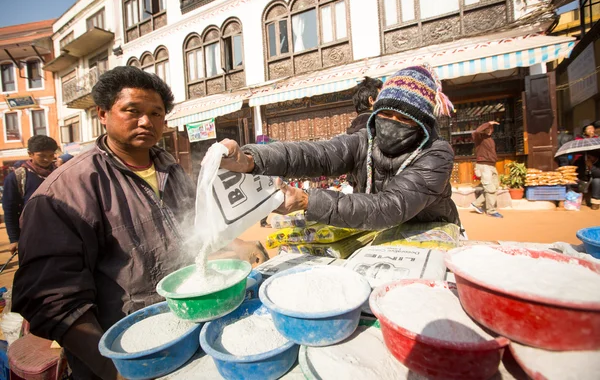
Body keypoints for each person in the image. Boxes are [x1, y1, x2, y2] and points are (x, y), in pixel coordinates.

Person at [12, 66, 266, 380]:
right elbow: (52, 300)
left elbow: (192, 230)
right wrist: (114, 368)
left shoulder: (168, 167)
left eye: (156, 113)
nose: (146, 121)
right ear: (102, 114)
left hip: (186, 331)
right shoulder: (66, 191)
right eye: (132, 111)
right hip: (125, 352)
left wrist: (235, 244)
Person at [219, 65, 460, 230]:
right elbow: (317, 154)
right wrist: (251, 159)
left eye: (405, 119)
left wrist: (307, 201)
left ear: (422, 125)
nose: (392, 124)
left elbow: (389, 207)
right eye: (386, 114)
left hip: (429, 234)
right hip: (376, 235)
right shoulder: (365, 139)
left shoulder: (436, 153)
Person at [2, 135, 58, 254]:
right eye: (42, 156)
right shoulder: (16, 178)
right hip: (30, 235)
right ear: (30, 154)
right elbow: (10, 210)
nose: (47, 159)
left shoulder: (61, 173)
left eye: (51, 155)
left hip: (60, 233)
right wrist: (14, 239)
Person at [471, 121, 503, 218]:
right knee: (490, 188)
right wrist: (488, 123)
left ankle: (476, 204)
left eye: (491, 128)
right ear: (484, 129)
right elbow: (476, 131)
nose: (490, 130)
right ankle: (491, 211)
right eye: (488, 129)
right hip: (484, 166)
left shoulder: (490, 139)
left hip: (491, 166)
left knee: (494, 187)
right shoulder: (479, 138)